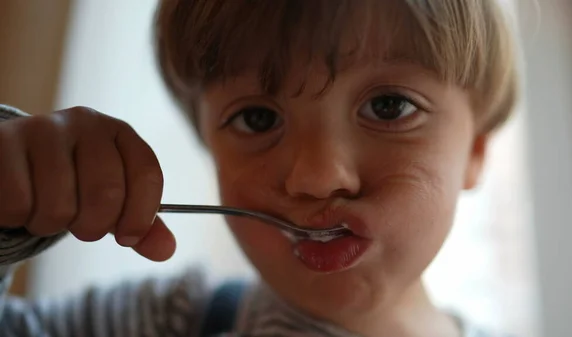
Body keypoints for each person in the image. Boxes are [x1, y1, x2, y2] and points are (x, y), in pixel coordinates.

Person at [0, 0, 520, 336]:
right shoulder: (171, 323)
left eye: (389, 107)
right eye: (257, 118)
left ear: (475, 149)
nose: (316, 177)